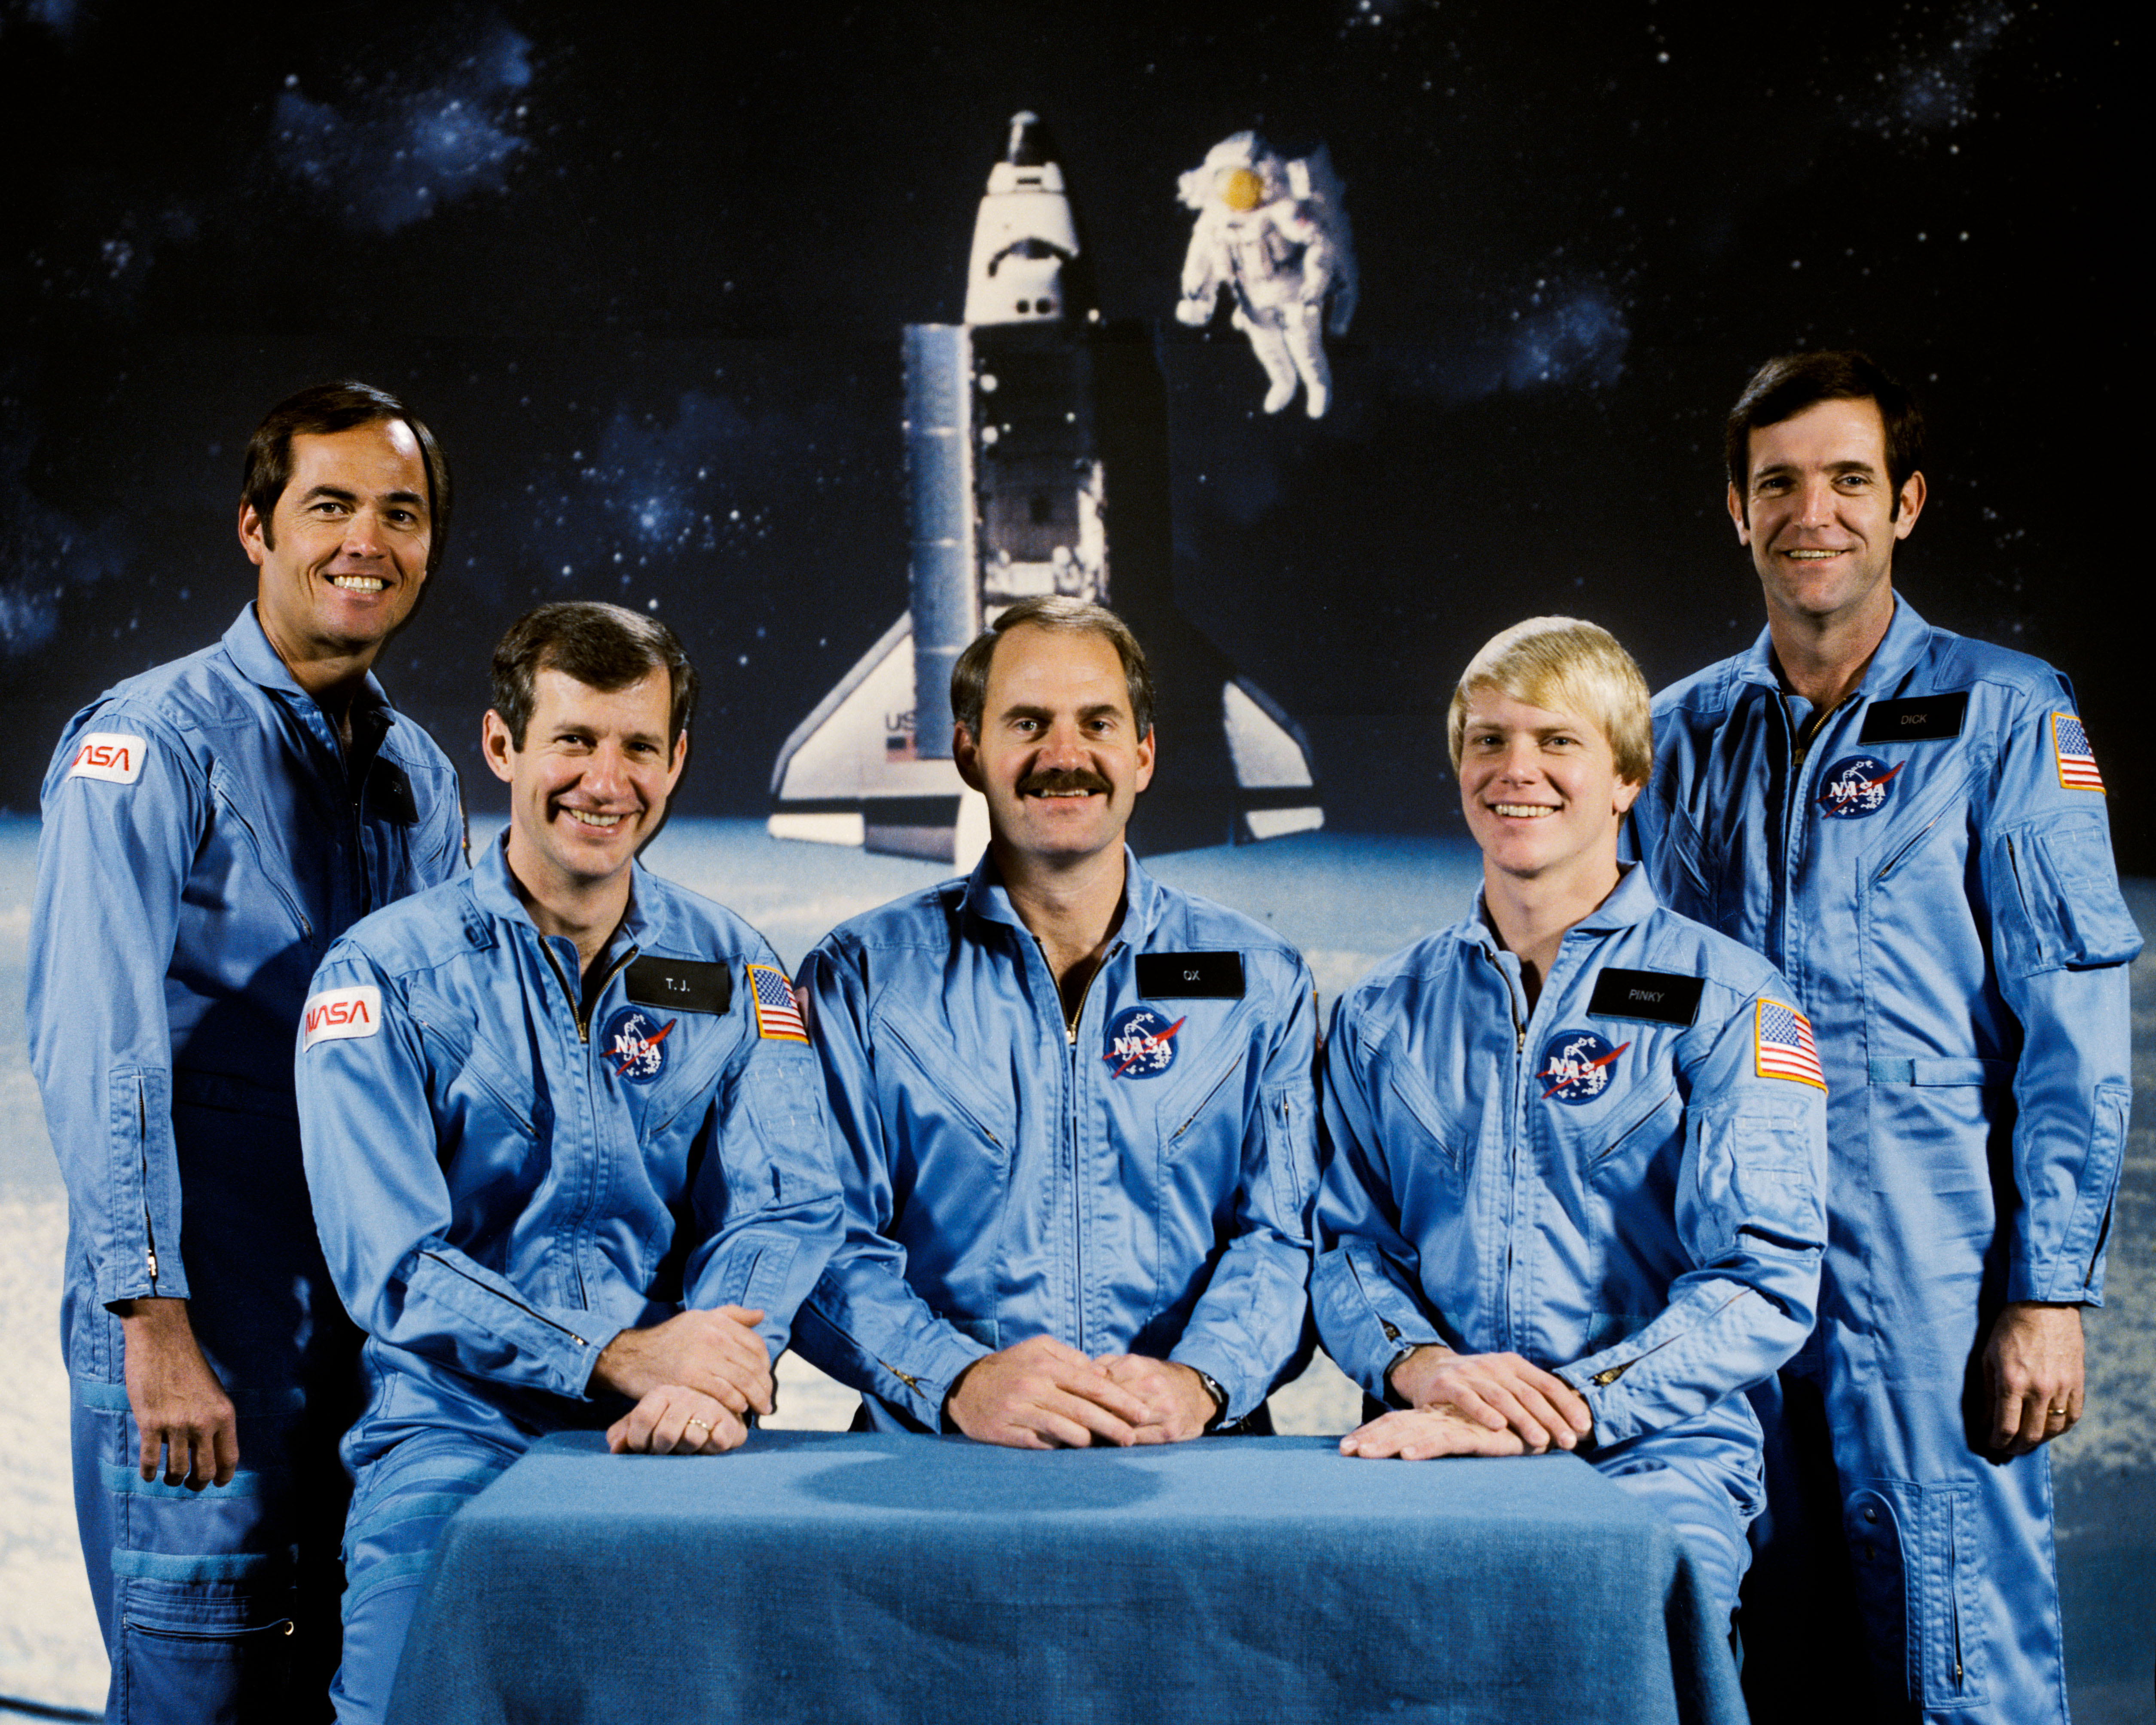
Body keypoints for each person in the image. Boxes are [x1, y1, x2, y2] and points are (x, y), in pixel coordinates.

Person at [1629, 351, 2140, 1720]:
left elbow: (2073, 1030)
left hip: (1929, 1263)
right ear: (1735, 512)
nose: (1816, 512)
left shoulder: (2007, 713)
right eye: (1778, 482)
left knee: (1955, 1637)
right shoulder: (1671, 738)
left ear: (1904, 503)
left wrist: (2047, 1292)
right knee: (1749, 1638)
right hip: (1720, 1266)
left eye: (1849, 479)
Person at [295, 602, 843, 1723]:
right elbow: (395, 1263)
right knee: (413, 1694)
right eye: (574, 741)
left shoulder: (731, 966)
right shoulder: (386, 973)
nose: (607, 778)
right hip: (455, 1434)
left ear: (677, 758)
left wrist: (703, 1369)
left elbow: (784, 1202)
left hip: (678, 1433)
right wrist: (620, 1354)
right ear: (503, 746)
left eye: (639, 745)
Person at [27, 382, 465, 1722]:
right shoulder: (145, 743)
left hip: (363, 1334)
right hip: (201, 1319)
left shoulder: (420, 777)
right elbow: (96, 1044)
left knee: (355, 1676)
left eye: (401, 512)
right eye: (328, 506)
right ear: (254, 528)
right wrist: (152, 1321)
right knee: (199, 1675)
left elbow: (439, 1070)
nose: (365, 541)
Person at [1314, 617, 1828, 1625]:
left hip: (1657, 1453)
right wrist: (1425, 1372)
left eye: (1557, 742)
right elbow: (1344, 1247)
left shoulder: (1729, 1001)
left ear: (1627, 777)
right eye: (1488, 740)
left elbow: (1763, 1280)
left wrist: (1575, 1406)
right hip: (1432, 1429)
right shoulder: (1383, 1013)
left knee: (1628, 1613)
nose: (1517, 771)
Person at [792, 595, 1317, 1446]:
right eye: (1027, 722)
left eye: (1098, 724)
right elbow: (817, 1237)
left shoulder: (1262, 982)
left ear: (1142, 753)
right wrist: (956, 1380)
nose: (1064, 756)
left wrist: (1199, 1384)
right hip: (938, 1459)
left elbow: (1285, 1236)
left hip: (1192, 1460)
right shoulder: (860, 979)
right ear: (969, 749)